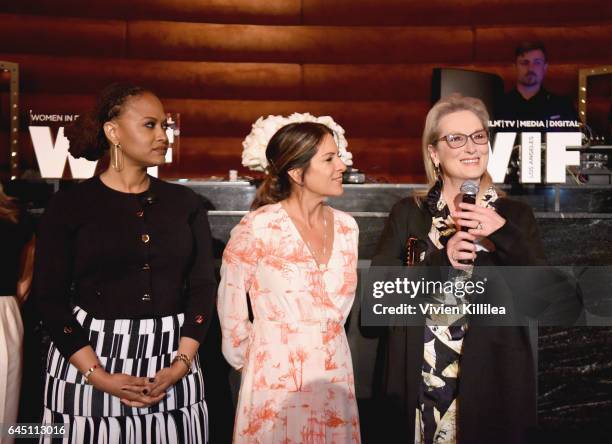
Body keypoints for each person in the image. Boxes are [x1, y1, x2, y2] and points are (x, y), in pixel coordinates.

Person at [33, 84, 216, 443]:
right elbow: (49, 297)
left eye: (166, 126)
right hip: (87, 361)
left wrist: (181, 365)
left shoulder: (186, 203)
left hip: (174, 361)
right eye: (150, 125)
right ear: (113, 132)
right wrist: (98, 376)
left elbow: (202, 286)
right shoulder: (71, 206)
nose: (164, 136)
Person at [371, 94, 555, 443]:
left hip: (492, 382)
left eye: (478, 136)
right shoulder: (408, 214)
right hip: (421, 384)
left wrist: (502, 234)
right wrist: (441, 260)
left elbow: (543, 299)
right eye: (455, 138)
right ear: (434, 153)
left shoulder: (513, 216)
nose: (471, 147)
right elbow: (379, 300)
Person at [217, 122, 361, 443]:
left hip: (333, 373)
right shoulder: (259, 227)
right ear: (297, 173)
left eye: (338, 157)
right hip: (275, 378)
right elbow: (231, 311)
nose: (342, 166)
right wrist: (255, 365)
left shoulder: (348, 228)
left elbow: (338, 313)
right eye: (329, 159)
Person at [0, 184, 34, 444]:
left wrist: (16, 292)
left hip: (3, 310)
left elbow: (30, 258)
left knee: (4, 411)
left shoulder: (15, 216)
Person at [496, 41, 578, 124]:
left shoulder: (562, 106)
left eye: (537, 63)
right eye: (525, 63)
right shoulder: (498, 106)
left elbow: (578, 135)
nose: (530, 69)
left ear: (545, 67)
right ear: (515, 67)